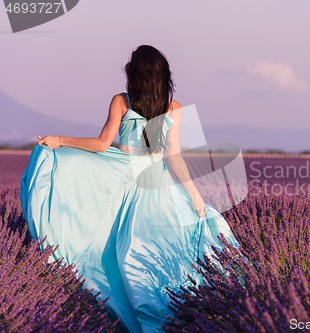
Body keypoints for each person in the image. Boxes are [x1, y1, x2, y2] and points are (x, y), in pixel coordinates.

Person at [20, 45, 241, 333]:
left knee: (113, 246)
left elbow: (102, 145)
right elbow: (174, 156)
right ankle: (187, 313)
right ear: (163, 76)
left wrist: (60, 141)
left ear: (133, 74)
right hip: (158, 185)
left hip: (125, 181)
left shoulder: (121, 101)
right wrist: (193, 194)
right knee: (161, 248)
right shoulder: (174, 108)